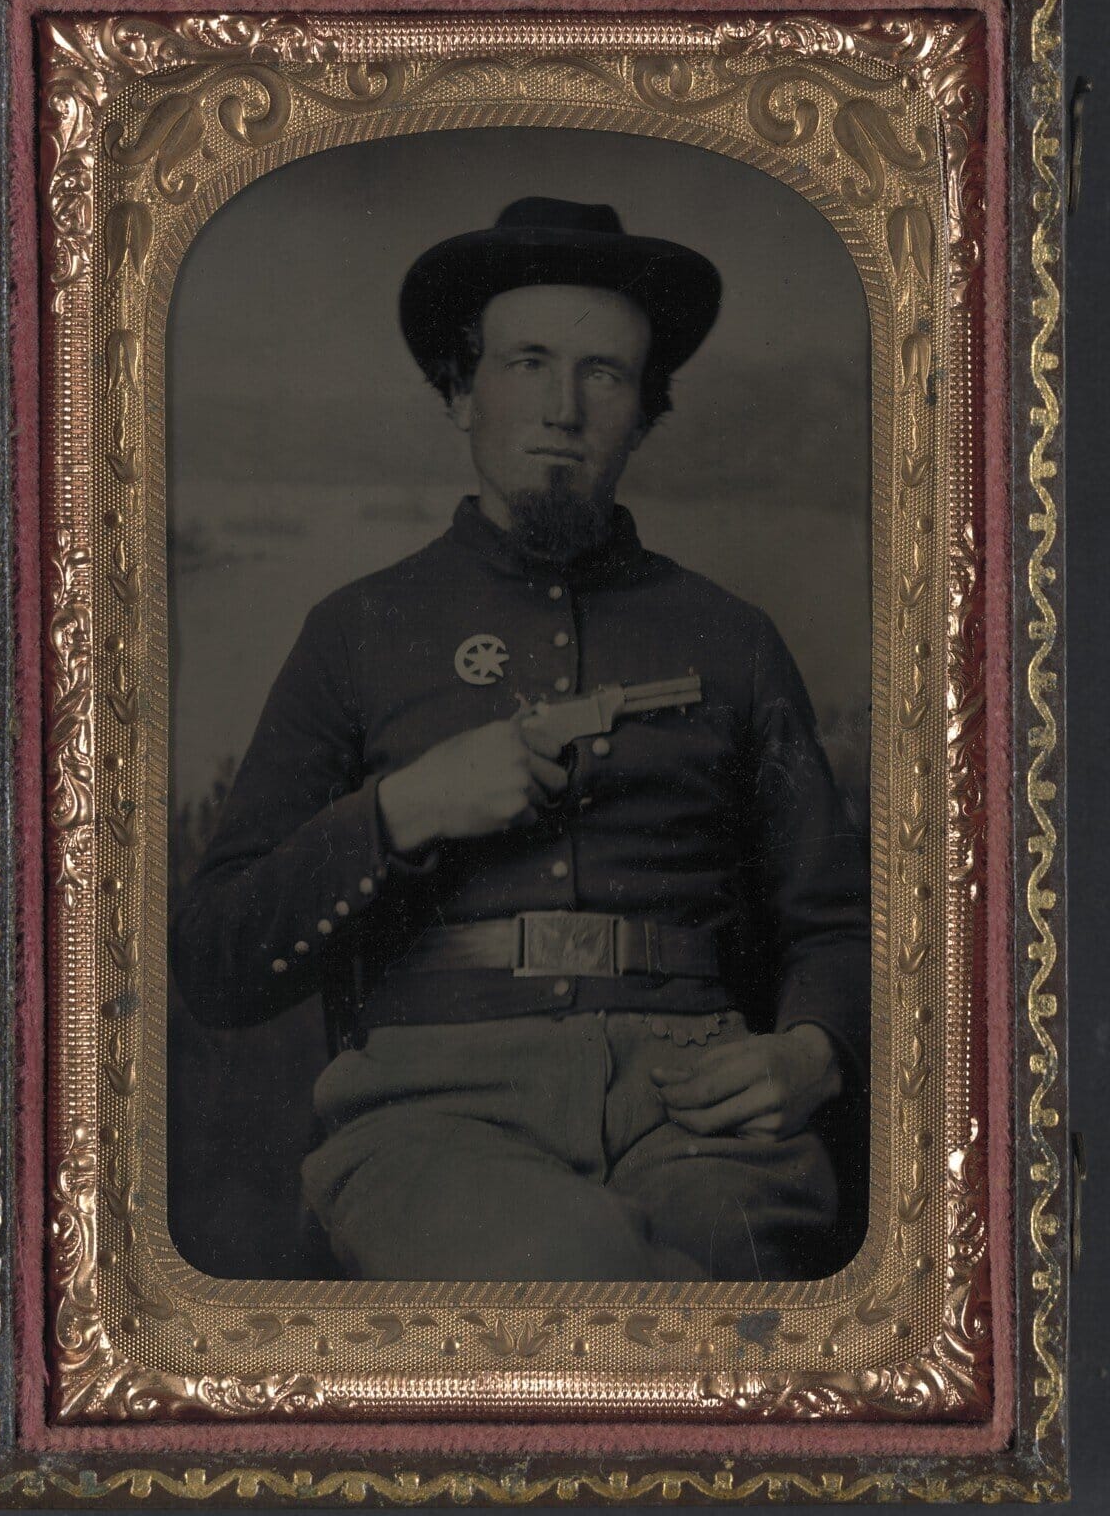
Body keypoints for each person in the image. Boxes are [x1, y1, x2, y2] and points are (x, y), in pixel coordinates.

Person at [171, 196, 870, 1283]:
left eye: (603, 374)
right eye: (525, 362)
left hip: (697, 1105)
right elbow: (216, 957)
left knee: (728, 1268)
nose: (562, 407)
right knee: (580, 1271)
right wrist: (405, 810)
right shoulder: (355, 631)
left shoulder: (732, 639)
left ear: (643, 413)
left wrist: (813, 1051)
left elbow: (839, 922)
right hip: (431, 1112)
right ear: (460, 392)